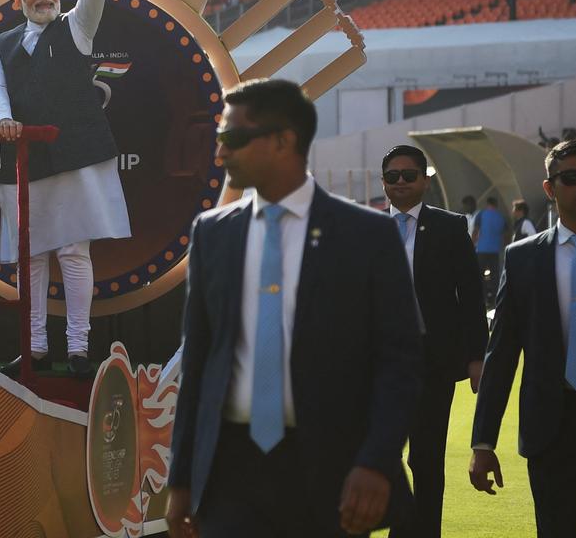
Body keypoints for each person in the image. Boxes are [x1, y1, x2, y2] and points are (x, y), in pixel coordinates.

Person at [166, 79, 422, 538]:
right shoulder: (212, 233)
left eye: (233, 138)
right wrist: (181, 479)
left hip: (330, 473)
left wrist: (377, 461)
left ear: (284, 141)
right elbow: (199, 363)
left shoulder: (367, 236)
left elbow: (399, 360)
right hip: (230, 474)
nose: (220, 153)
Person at [0, 0, 129, 381]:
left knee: (73, 251)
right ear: (17, 0)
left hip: (77, 155)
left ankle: (79, 349)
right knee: (32, 255)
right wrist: (4, 120)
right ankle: (37, 348)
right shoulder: (0, 43)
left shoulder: (78, 28)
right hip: (22, 161)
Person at [469, 139, 576, 537]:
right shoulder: (522, 258)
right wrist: (483, 443)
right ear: (549, 189)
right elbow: (501, 353)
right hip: (550, 430)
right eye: (571, 178)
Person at [381, 144, 487, 538]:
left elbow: (472, 296)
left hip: (431, 362)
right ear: (384, 183)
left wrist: (476, 356)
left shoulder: (449, 227)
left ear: (424, 181)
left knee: (425, 460)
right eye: (393, 176)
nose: (401, 183)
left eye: (409, 175)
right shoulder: (363, 229)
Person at [475, 196, 507, 306]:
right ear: (496, 205)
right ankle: (494, 299)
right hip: (495, 250)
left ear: (487, 204)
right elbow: (505, 235)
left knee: (479, 275)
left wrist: (472, 244)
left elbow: (476, 231)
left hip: (482, 249)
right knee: (494, 276)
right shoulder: (501, 217)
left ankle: (482, 299)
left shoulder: (481, 214)